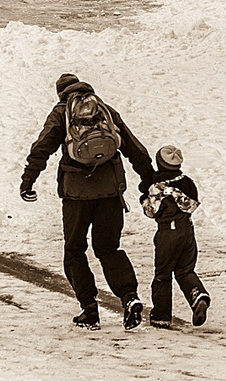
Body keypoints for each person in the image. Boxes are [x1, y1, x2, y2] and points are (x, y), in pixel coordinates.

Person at [20, 73, 156, 330]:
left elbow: (42, 148)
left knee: (74, 251)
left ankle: (89, 310)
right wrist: (147, 181)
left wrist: (28, 180)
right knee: (109, 249)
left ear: (61, 93)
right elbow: (134, 148)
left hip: (76, 195)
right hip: (110, 193)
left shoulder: (62, 113)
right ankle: (129, 298)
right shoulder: (104, 111)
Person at [140, 145, 210, 329]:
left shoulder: (158, 188)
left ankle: (161, 317)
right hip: (187, 230)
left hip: (168, 233)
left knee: (163, 275)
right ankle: (198, 296)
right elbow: (192, 204)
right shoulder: (188, 182)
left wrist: (143, 197)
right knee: (185, 270)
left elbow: (151, 211)